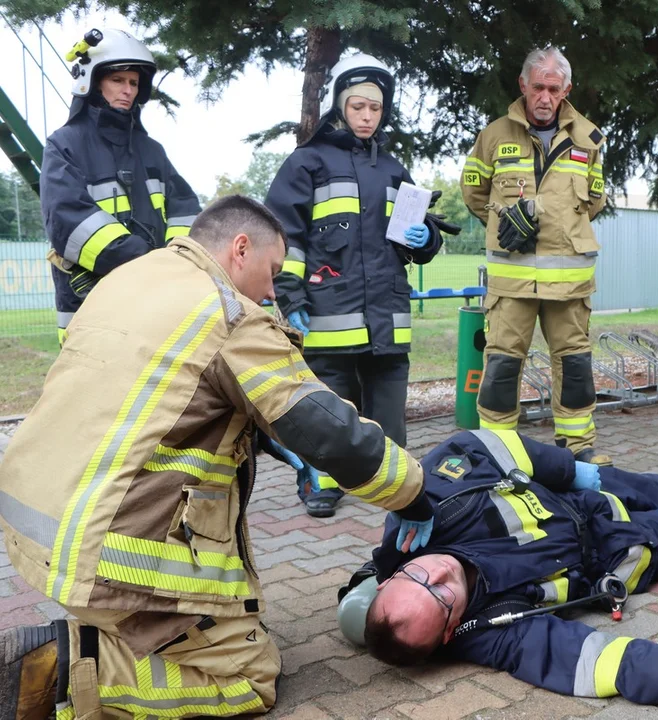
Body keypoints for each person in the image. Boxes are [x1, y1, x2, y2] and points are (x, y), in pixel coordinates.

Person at [0, 195, 434, 720]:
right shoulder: (230, 315)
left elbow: (159, 394)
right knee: (252, 678)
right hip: (108, 556)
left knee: (235, 627)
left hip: (33, 527)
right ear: (240, 249)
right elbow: (330, 431)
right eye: (272, 272)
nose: (272, 291)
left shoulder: (133, 277)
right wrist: (412, 495)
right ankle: (61, 669)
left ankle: (122, 634)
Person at [336, 428, 658, 710]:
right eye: (441, 597)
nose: (439, 574)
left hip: (579, 492)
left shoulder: (420, 515)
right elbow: (586, 660)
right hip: (616, 551)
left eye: (416, 576)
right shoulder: (487, 630)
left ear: (390, 577)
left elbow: (480, 445)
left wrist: (569, 469)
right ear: (450, 631)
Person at [266, 53, 443, 517]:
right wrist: (290, 294)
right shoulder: (307, 163)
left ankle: (397, 486)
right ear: (341, 106)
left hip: (386, 316)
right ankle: (322, 481)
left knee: (389, 410)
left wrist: (428, 238)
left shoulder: (392, 169)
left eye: (376, 109)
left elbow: (414, 235)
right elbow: (284, 237)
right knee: (330, 406)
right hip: (328, 313)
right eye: (358, 106)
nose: (367, 116)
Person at [460, 47, 610, 465]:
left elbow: (594, 199)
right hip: (512, 280)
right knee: (503, 364)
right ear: (523, 85)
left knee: (575, 363)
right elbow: (473, 193)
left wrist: (558, 223)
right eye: (538, 87)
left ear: (567, 90)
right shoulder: (492, 136)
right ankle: (497, 450)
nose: (545, 96)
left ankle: (578, 447)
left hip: (570, 281)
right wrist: (503, 220)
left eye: (554, 89)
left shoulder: (590, 139)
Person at [40, 27, 201, 345]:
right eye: (117, 80)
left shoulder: (152, 150)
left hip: (156, 303)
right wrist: (147, 260)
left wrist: (175, 261)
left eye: (133, 82)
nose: (127, 90)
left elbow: (185, 210)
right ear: (93, 82)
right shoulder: (64, 145)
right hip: (91, 308)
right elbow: (67, 219)